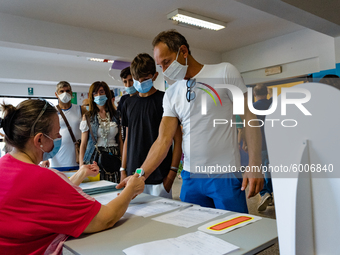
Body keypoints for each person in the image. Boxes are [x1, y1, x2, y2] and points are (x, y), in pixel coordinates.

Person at [117, 30, 263, 213]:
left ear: (183, 52)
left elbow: (249, 116)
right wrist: (140, 174)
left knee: (237, 235)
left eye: (167, 61)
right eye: (160, 65)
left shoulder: (224, 72)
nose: (164, 70)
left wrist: (255, 163)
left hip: (225, 176)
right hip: (190, 178)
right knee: (197, 237)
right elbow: (163, 140)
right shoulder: (171, 93)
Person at [0, 99, 144, 254]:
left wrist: (81, 173)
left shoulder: (4, 165)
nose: (59, 137)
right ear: (39, 139)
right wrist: (131, 189)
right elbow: (106, 218)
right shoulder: (43, 179)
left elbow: (49, 197)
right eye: (56, 134)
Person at [120, 53, 182, 198]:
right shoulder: (128, 103)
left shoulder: (165, 99)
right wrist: (123, 169)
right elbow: (128, 138)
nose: (140, 83)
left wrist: (172, 174)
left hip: (159, 177)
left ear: (154, 76)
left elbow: (177, 140)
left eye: (145, 79)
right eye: (137, 79)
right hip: (132, 175)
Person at [79, 81, 123, 182]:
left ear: (107, 93)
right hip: (94, 156)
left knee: (114, 186)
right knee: (95, 187)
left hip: (113, 156)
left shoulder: (116, 115)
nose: (99, 95)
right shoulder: (88, 117)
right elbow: (83, 143)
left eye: (101, 92)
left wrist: (123, 164)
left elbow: (120, 141)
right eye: (95, 93)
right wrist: (81, 165)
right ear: (92, 96)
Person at [41, 81, 86, 171]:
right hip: (57, 160)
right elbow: (45, 134)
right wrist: (45, 157)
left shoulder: (80, 109)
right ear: (56, 94)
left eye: (67, 91)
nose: (65, 93)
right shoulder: (51, 112)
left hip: (77, 159)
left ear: (71, 93)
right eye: (61, 91)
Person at [252, 84, 274, 211]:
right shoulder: (273, 106)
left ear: (254, 94)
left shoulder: (253, 108)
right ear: (266, 92)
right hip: (274, 143)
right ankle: (271, 192)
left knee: (261, 169)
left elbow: (249, 127)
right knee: (271, 169)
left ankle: (265, 193)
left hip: (259, 144)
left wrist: (245, 143)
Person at [117, 67, 138, 142]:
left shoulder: (143, 99)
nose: (128, 85)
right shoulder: (124, 99)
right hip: (128, 139)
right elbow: (119, 117)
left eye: (131, 80)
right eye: (125, 82)